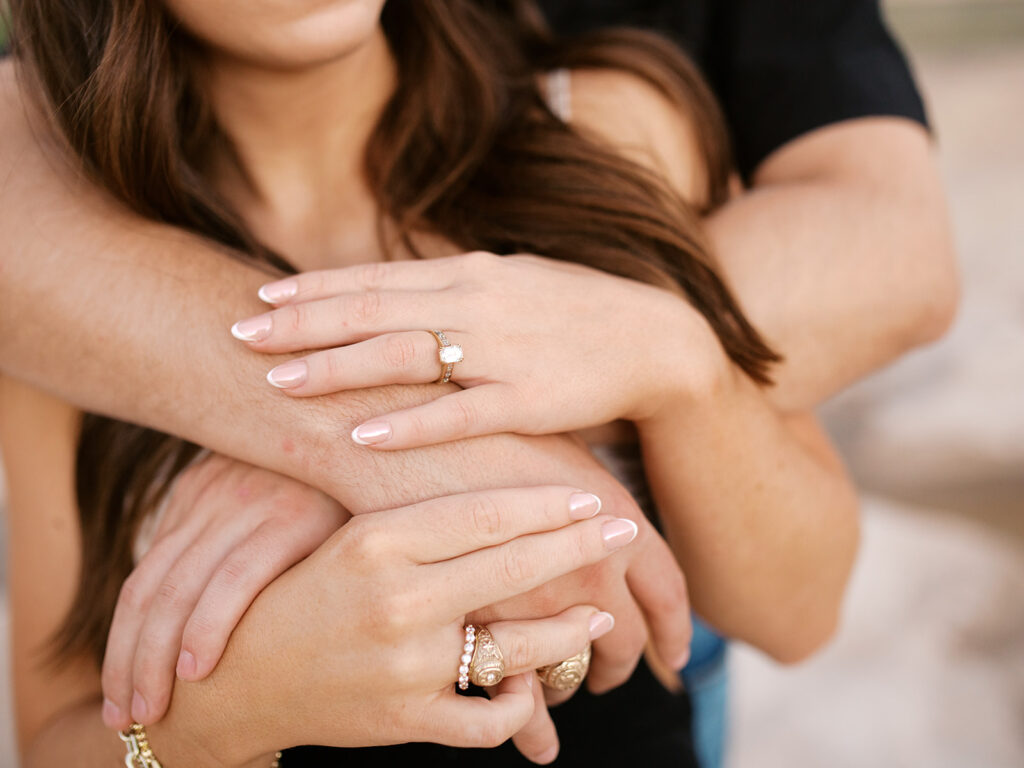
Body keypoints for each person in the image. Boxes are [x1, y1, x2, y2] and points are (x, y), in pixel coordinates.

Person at [2, 0, 864, 766]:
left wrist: (679, 363)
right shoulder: (66, 294)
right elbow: (54, 744)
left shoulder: (603, 122)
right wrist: (217, 721)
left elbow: (802, 610)